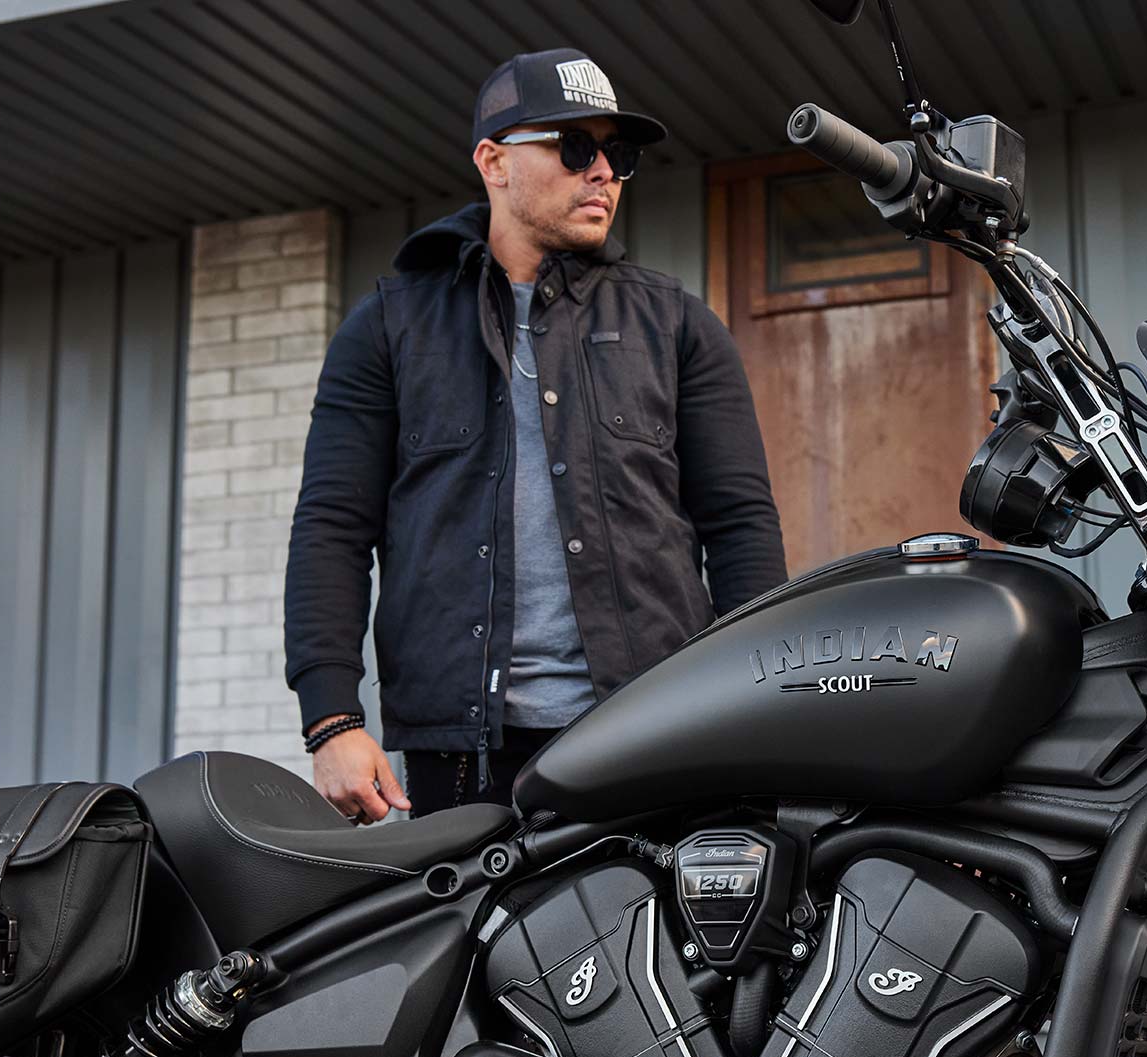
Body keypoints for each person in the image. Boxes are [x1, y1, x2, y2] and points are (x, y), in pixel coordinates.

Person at [285, 48, 786, 822]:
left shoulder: (678, 325)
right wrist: (332, 720)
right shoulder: (388, 327)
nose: (604, 173)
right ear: (493, 162)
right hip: (465, 759)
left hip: (653, 731)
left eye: (618, 155)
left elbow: (741, 526)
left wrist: (755, 697)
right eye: (575, 148)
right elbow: (332, 528)